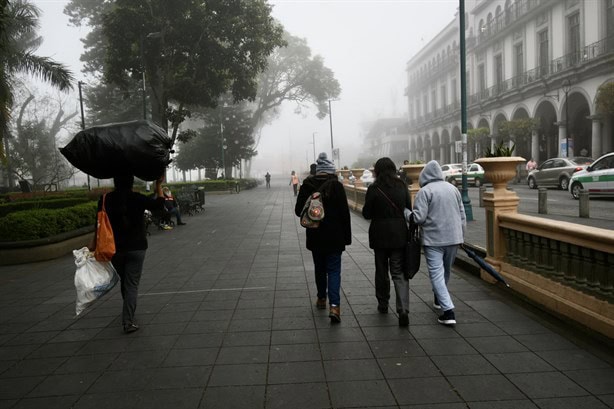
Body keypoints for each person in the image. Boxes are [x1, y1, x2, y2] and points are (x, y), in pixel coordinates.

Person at [91, 174, 166, 333]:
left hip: (114, 248)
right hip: (137, 247)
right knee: (132, 284)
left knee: (125, 281)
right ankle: (128, 321)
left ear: (115, 183)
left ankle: (128, 312)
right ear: (131, 183)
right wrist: (158, 186)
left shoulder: (105, 199)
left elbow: (99, 224)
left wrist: (94, 244)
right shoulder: (137, 198)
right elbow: (159, 206)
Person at [295, 152, 351, 323]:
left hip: (315, 235)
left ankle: (321, 298)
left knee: (319, 268)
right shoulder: (337, 186)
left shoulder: (307, 185)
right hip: (335, 237)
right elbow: (345, 214)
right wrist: (346, 238)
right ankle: (335, 307)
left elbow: (298, 211)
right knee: (334, 270)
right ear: (331, 170)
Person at [411, 160, 466, 326]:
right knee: (446, 272)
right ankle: (438, 298)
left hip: (433, 240)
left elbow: (418, 218)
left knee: (436, 273)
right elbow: (462, 214)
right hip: (454, 238)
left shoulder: (425, 191)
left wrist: (407, 213)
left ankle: (448, 311)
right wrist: (462, 236)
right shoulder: (453, 189)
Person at [362, 157, 412, 326]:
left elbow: (367, 214)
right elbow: (408, 209)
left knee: (381, 270)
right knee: (398, 272)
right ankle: (403, 308)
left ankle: (383, 303)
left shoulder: (374, 189)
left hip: (379, 235)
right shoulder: (402, 186)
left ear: (377, 170)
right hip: (399, 234)